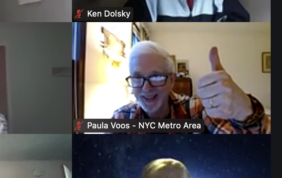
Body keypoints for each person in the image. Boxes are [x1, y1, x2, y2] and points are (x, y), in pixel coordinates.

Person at [112, 41, 269, 133]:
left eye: (156, 77)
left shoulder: (198, 110)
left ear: (172, 80)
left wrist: (246, 113)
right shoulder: (121, 118)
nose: (146, 88)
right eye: (138, 78)